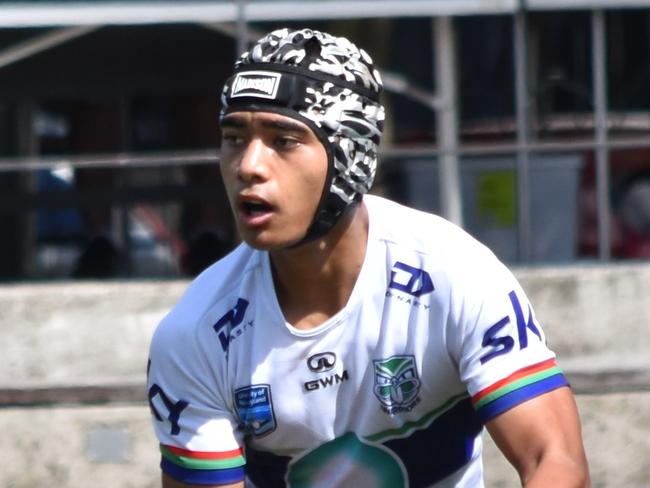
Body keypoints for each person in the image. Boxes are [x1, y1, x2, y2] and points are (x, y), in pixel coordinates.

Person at [147, 28, 590, 487]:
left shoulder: (456, 275)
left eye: (283, 140)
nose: (249, 165)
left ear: (350, 156)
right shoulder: (195, 331)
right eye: (234, 137)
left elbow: (554, 459)